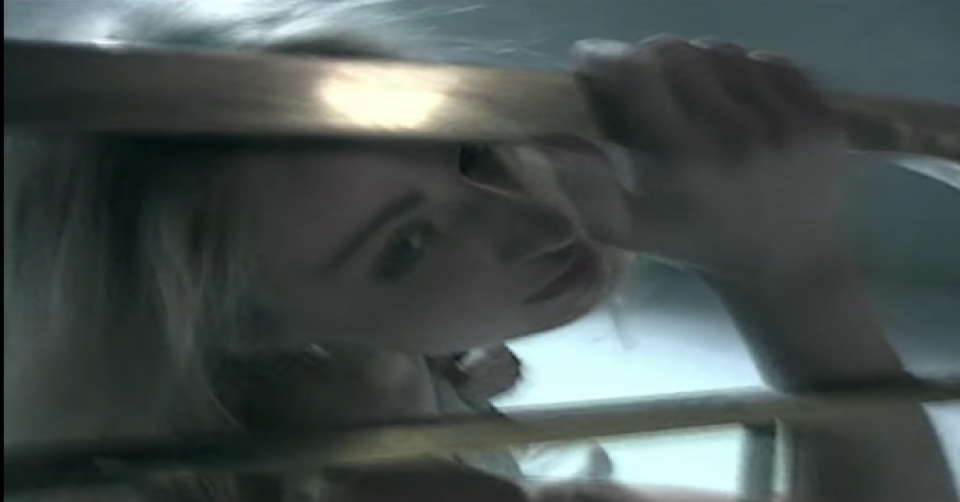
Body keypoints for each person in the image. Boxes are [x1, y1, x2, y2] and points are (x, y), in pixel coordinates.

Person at [4, 3, 957, 502]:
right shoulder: (375, 481)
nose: (538, 220)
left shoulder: (345, 380)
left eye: (472, 155)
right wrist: (789, 275)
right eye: (406, 244)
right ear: (245, 333)